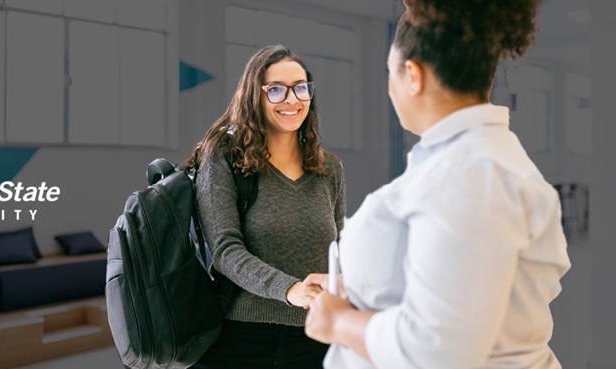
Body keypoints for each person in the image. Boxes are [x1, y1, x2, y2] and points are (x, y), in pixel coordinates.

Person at [304, 1, 571, 368]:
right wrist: (361, 290)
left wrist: (337, 321)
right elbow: (456, 290)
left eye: (389, 71)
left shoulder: (471, 176)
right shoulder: (463, 166)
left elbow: (436, 351)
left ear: (412, 75)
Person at [183, 45, 346, 369]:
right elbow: (226, 250)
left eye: (301, 87)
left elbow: (338, 246)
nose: (292, 99)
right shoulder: (224, 157)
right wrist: (289, 290)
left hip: (315, 336)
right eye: (276, 90)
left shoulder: (329, 168)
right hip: (242, 337)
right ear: (253, 96)